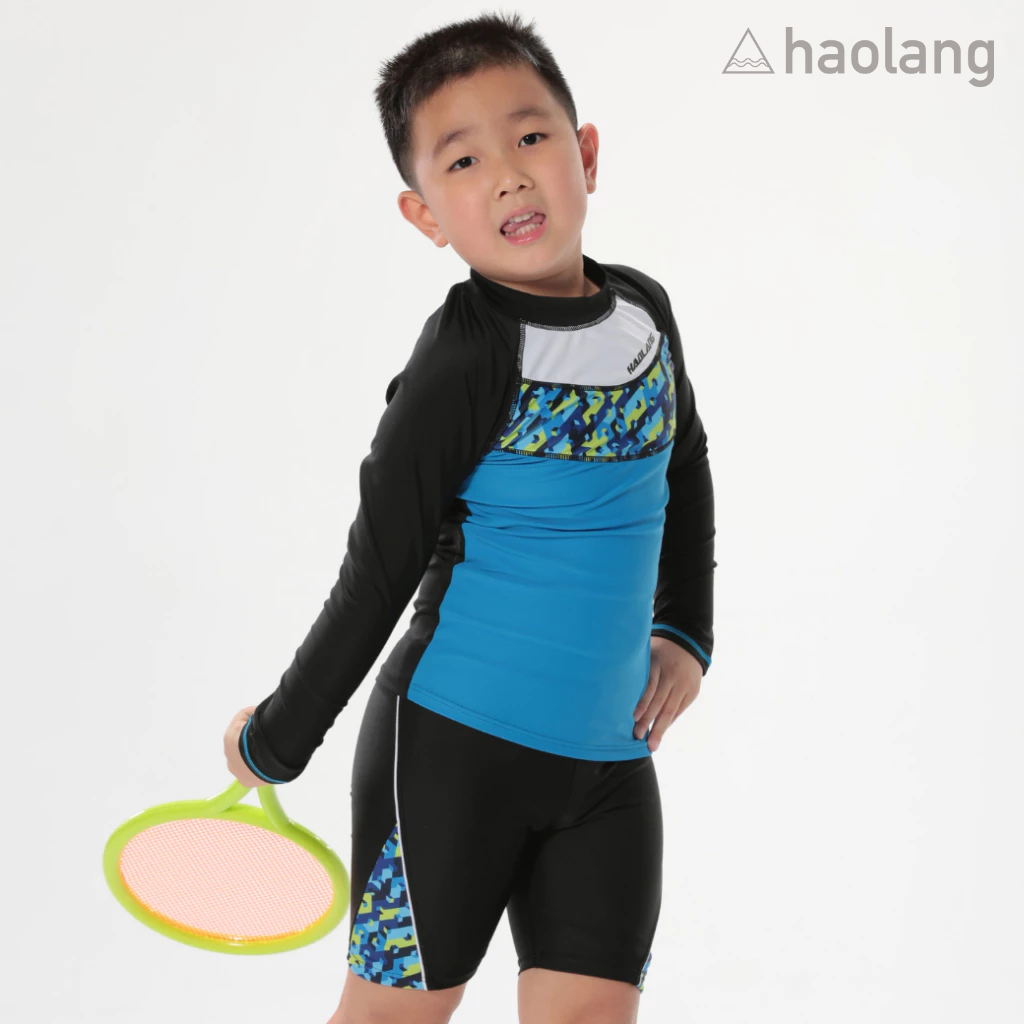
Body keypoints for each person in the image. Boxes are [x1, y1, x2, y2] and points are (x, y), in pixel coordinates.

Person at [222, 12, 715, 1024]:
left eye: (530, 137)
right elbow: (378, 570)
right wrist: (277, 738)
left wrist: (685, 629)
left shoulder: (643, 312)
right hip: (451, 755)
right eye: (463, 160)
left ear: (585, 154)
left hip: (609, 764)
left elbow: (685, 463)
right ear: (425, 216)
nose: (508, 176)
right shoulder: (462, 360)